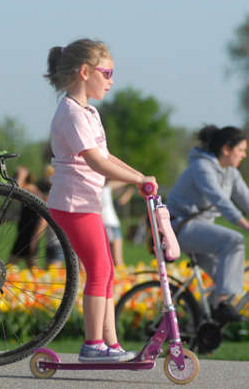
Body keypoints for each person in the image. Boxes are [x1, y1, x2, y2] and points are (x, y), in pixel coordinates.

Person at [44, 39, 157, 362]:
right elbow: (96, 162)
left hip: (85, 202)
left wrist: (140, 177)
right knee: (98, 268)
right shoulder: (71, 113)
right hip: (73, 203)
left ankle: (111, 344)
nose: (111, 80)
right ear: (84, 72)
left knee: (105, 270)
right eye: (107, 73)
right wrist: (138, 180)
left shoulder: (88, 112)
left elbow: (107, 157)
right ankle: (93, 345)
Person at [167, 125, 248, 324]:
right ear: (226, 149)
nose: (244, 155)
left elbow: (246, 199)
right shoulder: (201, 168)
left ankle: (204, 328)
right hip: (179, 228)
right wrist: (245, 225)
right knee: (235, 241)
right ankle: (219, 305)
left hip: (200, 231)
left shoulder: (231, 173)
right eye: (241, 150)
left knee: (229, 277)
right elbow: (220, 200)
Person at [9, 166, 46, 268]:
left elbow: (14, 196)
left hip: (29, 235)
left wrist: (21, 175)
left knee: (12, 265)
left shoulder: (32, 191)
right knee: (30, 266)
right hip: (25, 233)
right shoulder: (31, 190)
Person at [101, 180, 133, 267]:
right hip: (109, 224)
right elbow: (123, 181)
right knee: (116, 260)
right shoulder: (103, 187)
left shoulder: (105, 187)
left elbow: (123, 181)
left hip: (110, 224)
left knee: (113, 260)